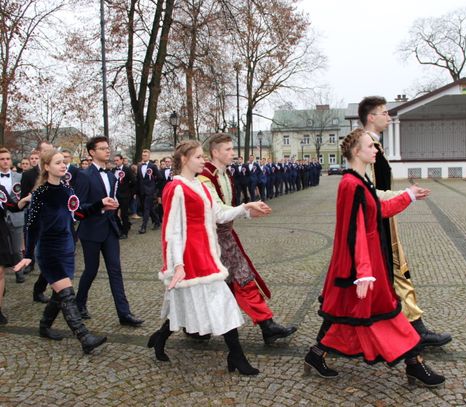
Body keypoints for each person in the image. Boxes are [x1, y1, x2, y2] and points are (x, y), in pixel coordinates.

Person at [304, 128, 445, 388]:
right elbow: (354, 231)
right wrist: (364, 272)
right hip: (360, 266)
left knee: (342, 316)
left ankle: (315, 355)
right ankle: (415, 364)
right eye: (371, 146)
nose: (375, 150)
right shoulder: (350, 184)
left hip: (362, 264)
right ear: (356, 151)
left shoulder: (361, 181)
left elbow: (377, 211)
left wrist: (408, 196)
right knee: (387, 312)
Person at [148, 140, 271, 375]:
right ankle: (236, 356)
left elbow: (219, 214)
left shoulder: (202, 186)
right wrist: (177, 265)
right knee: (216, 301)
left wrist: (246, 207)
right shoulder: (176, 188)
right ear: (184, 159)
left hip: (208, 253)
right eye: (198, 157)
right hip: (190, 257)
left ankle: (161, 338)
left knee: (187, 303)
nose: (203, 161)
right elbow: (171, 230)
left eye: (203, 157)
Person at [358, 96, 452, 347]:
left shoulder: (375, 147)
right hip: (376, 220)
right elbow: (366, 192)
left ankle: (412, 327)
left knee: (391, 272)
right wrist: (405, 195)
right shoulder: (366, 148)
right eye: (384, 113)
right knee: (383, 273)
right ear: (371, 117)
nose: (388, 118)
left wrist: (403, 197)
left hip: (385, 216)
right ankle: (412, 329)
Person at [199, 134, 297, 344]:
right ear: (215, 152)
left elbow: (228, 209)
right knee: (213, 284)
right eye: (227, 149)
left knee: (239, 280)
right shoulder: (205, 177)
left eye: (232, 149)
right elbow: (218, 212)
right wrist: (245, 209)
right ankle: (194, 326)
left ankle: (266, 325)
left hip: (225, 236)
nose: (232, 153)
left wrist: (250, 211)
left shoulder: (226, 174)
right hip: (211, 240)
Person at [13, 150, 107, 353]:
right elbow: (32, 226)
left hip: (67, 247)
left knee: (59, 294)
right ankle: (84, 337)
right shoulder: (40, 194)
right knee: (67, 293)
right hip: (49, 250)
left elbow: (79, 212)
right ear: (47, 167)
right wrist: (28, 255)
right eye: (58, 163)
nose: (64, 165)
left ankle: (44, 326)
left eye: (65, 162)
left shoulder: (67, 189)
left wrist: (100, 204)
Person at [74, 136, 143, 327]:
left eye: (108, 147)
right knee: (91, 270)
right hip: (91, 231)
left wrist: (115, 204)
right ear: (91, 152)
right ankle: (79, 303)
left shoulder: (112, 176)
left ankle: (124, 313)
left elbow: (112, 199)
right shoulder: (84, 175)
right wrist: (100, 205)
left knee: (115, 271)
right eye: (102, 148)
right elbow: (79, 209)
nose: (107, 151)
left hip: (110, 229)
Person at [20, 141, 54, 303]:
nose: (50, 152)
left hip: (53, 220)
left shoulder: (56, 170)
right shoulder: (28, 174)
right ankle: (40, 288)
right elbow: (24, 199)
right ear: (39, 153)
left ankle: (42, 288)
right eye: (46, 150)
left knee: (51, 257)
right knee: (47, 256)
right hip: (36, 219)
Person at [0, 184, 30, 323]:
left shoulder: (0, 188)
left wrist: (25, 200)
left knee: (0, 272)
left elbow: (12, 206)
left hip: (0, 233)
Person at [0, 148, 25, 283]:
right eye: (2, 159)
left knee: (17, 249)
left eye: (7, 159)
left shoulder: (19, 177)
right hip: (1, 219)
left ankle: (19, 272)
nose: (5, 161)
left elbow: (24, 196)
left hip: (16, 215)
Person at [136, 149, 162, 234]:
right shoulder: (139, 166)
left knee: (146, 208)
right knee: (148, 208)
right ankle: (157, 221)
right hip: (142, 191)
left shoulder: (153, 166)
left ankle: (143, 227)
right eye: (143, 155)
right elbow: (138, 179)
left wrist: (154, 187)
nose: (144, 156)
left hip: (150, 191)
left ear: (149, 156)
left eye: (146, 155)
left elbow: (159, 177)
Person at [113, 154, 135, 239]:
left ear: (122, 160)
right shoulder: (113, 170)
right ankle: (121, 228)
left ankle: (125, 232)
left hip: (125, 196)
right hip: (115, 196)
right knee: (114, 214)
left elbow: (133, 181)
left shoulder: (127, 169)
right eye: (115, 160)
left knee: (124, 214)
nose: (116, 162)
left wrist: (130, 194)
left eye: (117, 160)